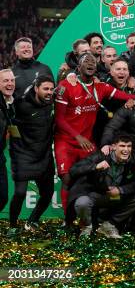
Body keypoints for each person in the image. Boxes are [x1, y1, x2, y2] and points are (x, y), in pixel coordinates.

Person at [54, 53, 135, 213]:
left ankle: (88, 216)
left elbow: (128, 96)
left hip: (87, 142)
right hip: (66, 141)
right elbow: (59, 119)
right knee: (67, 178)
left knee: (93, 176)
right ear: (79, 67)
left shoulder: (101, 87)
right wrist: (77, 136)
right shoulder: (66, 86)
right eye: (86, 61)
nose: (91, 63)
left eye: (93, 61)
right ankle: (68, 219)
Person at [69, 134, 135, 238]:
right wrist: (95, 166)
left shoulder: (133, 160)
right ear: (113, 147)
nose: (126, 150)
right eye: (122, 146)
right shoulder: (100, 156)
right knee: (82, 202)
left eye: (129, 146)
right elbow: (73, 170)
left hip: (116, 196)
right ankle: (87, 226)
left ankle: (109, 225)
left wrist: (120, 189)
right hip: (97, 196)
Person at [7, 76, 55, 235]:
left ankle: (32, 221)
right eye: (45, 89)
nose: (49, 92)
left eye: (51, 89)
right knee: (20, 193)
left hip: (44, 155)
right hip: (23, 154)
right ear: (36, 89)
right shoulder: (21, 105)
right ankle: (13, 226)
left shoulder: (53, 103)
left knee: (47, 194)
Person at [0, 69, 16, 214]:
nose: (10, 84)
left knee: (2, 197)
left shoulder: (9, 103)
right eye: (5, 81)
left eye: (12, 80)